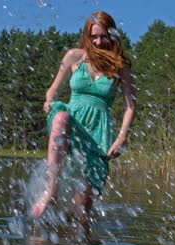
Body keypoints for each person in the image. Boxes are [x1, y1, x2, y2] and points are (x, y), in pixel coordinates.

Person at [31, 11, 136, 223]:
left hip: (97, 131)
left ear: (112, 35)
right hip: (72, 120)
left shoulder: (120, 65)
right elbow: (53, 90)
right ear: (87, 36)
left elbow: (130, 106)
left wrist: (121, 137)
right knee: (60, 117)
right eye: (93, 36)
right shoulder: (74, 56)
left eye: (103, 36)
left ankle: (84, 238)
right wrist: (49, 102)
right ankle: (51, 192)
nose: (98, 41)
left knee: (83, 207)